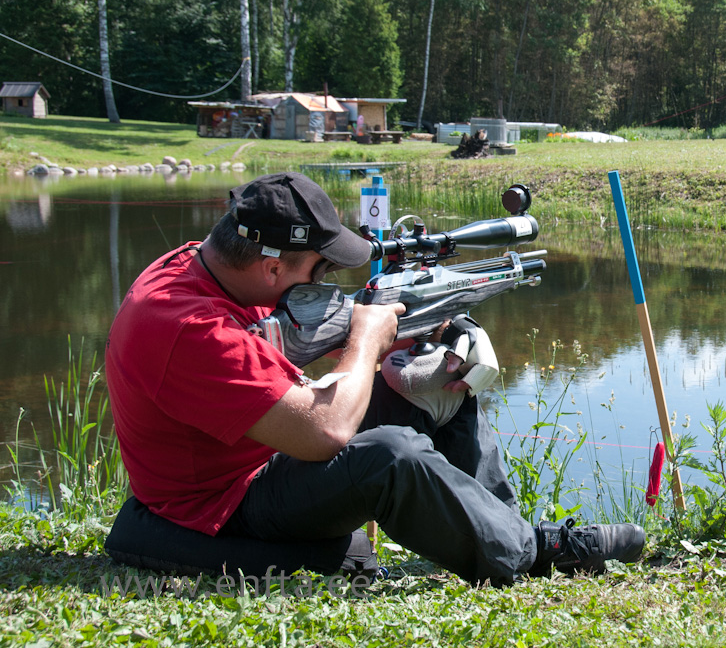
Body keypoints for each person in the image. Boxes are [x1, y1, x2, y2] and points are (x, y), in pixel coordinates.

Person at [105, 171, 644, 585]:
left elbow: (274, 353)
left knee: (431, 383)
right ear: (271, 270)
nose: (326, 283)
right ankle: (536, 552)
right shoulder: (186, 326)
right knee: (391, 455)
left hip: (256, 450)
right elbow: (326, 434)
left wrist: (416, 337)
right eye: (320, 272)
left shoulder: (203, 267)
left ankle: (502, 531)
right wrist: (364, 342)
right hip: (221, 503)